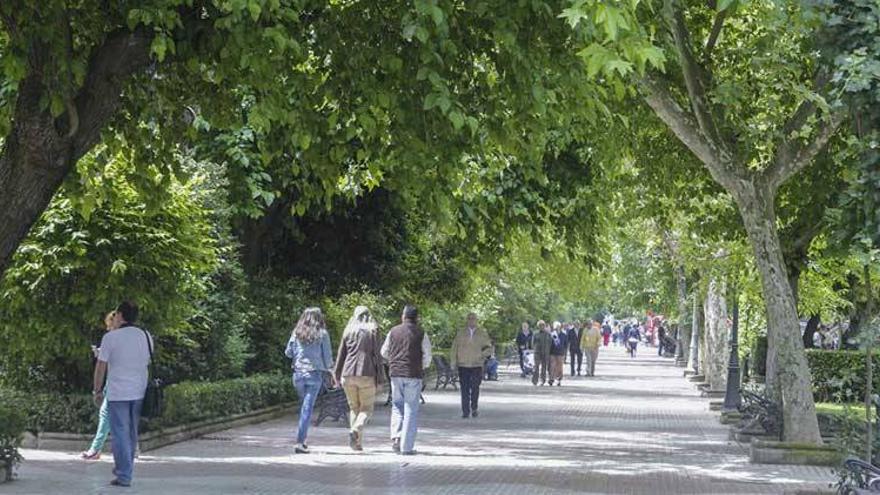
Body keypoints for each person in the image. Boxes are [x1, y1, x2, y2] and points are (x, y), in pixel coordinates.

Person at [91, 301, 152, 488]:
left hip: (118, 392)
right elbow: (147, 361)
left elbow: (101, 367)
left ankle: (124, 474)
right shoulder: (146, 336)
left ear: (120, 315)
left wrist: (97, 390)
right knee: (131, 432)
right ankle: (127, 469)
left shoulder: (111, 338)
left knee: (120, 433)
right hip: (139, 390)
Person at [381, 305, 432, 455]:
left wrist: (394, 359)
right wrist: (421, 365)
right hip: (413, 374)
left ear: (403, 316)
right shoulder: (421, 333)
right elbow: (427, 355)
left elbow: (383, 352)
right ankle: (407, 447)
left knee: (397, 406)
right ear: (417, 318)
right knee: (411, 409)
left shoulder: (393, 331)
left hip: (395, 374)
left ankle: (396, 438)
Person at [285, 307, 335, 454]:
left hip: (298, 374)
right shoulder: (322, 334)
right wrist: (332, 372)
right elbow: (327, 358)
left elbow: (288, 352)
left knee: (304, 408)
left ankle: (303, 440)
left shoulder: (296, 333)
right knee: (307, 409)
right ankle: (300, 442)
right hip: (314, 374)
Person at [334, 306, 383, 452]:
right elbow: (377, 356)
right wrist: (380, 378)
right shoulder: (373, 330)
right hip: (367, 374)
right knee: (366, 409)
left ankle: (357, 444)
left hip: (347, 374)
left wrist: (336, 375)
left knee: (354, 408)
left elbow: (341, 354)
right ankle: (356, 429)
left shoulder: (348, 330)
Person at [82, 311, 119, 460]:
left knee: (105, 415)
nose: (108, 329)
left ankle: (95, 449)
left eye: (110, 326)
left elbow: (105, 364)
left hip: (114, 383)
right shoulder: (127, 339)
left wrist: (96, 390)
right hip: (116, 383)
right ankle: (132, 448)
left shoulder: (113, 339)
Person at [450, 313, 492, 419]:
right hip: (463, 365)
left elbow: (489, 348)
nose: (471, 320)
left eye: (473, 319)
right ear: (467, 320)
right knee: (464, 388)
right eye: (469, 318)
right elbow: (454, 348)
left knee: (475, 387)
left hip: (476, 365)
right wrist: (453, 362)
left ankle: (474, 408)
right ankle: (465, 410)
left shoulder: (482, 333)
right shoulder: (461, 333)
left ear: (476, 320)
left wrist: (481, 355)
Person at [532, 320, 551, 386]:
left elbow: (550, 343)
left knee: (544, 367)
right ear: (538, 326)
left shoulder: (548, 334)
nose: (542, 327)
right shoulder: (535, 333)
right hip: (537, 352)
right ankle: (535, 380)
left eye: (543, 325)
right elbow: (533, 343)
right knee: (536, 366)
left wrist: (548, 352)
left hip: (545, 353)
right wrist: (535, 349)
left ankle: (542, 380)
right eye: (540, 325)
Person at [549, 321, 566, 386]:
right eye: (556, 327)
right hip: (552, 352)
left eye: (558, 327)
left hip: (560, 353)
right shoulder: (551, 334)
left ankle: (558, 379)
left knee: (559, 367)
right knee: (552, 366)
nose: (557, 328)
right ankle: (551, 378)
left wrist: (565, 353)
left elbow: (565, 344)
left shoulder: (563, 335)